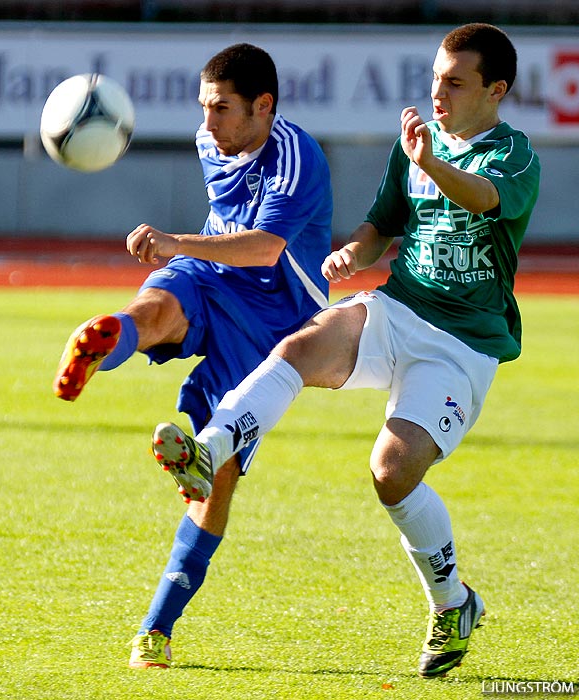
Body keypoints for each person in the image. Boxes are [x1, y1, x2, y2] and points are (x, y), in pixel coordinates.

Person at [150, 23, 540, 678]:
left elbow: (482, 198)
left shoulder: (512, 155)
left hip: (461, 346)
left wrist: (430, 163)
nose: (438, 93)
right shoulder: (414, 147)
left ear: (494, 91)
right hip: (397, 309)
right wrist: (353, 254)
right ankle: (208, 451)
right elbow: (383, 222)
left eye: (455, 82)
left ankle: (452, 603)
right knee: (301, 346)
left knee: (390, 471)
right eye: (435, 79)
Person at [52, 43, 333, 669]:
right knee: (153, 311)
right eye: (203, 108)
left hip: (272, 316)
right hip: (208, 275)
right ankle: (105, 339)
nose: (207, 125)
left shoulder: (297, 157)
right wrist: (182, 254)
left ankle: (158, 624)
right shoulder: (216, 140)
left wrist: (177, 240)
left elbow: (263, 250)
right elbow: (224, 229)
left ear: (263, 107)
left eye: (221, 110)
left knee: (215, 479)